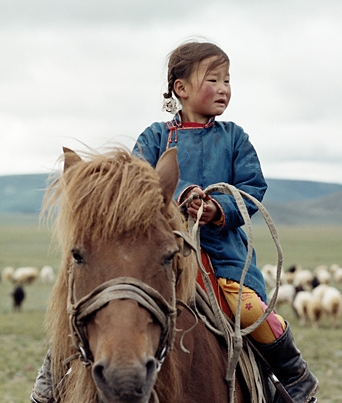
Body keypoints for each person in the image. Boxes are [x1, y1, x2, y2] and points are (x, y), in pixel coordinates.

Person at [132, 40, 318, 403]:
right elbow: (140, 176)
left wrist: (219, 208)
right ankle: (55, 375)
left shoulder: (234, 138)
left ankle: (295, 375)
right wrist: (182, 192)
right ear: (180, 88)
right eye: (213, 79)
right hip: (162, 251)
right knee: (107, 298)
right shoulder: (155, 137)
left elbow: (252, 187)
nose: (223, 89)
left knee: (247, 308)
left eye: (227, 80)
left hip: (222, 256)